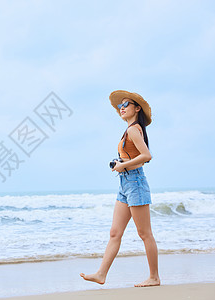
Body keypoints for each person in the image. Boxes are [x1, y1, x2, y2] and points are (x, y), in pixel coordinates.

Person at [80, 90, 160, 287]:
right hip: (125, 184)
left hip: (135, 183)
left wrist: (122, 165)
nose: (121, 108)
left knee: (145, 234)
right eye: (119, 106)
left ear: (137, 108)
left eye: (126, 104)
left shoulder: (134, 129)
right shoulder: (130, 130)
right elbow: (136, 156)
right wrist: (122, 163)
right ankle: (101, 274)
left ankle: (154, 277)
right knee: (115, 233)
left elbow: (147, 156)